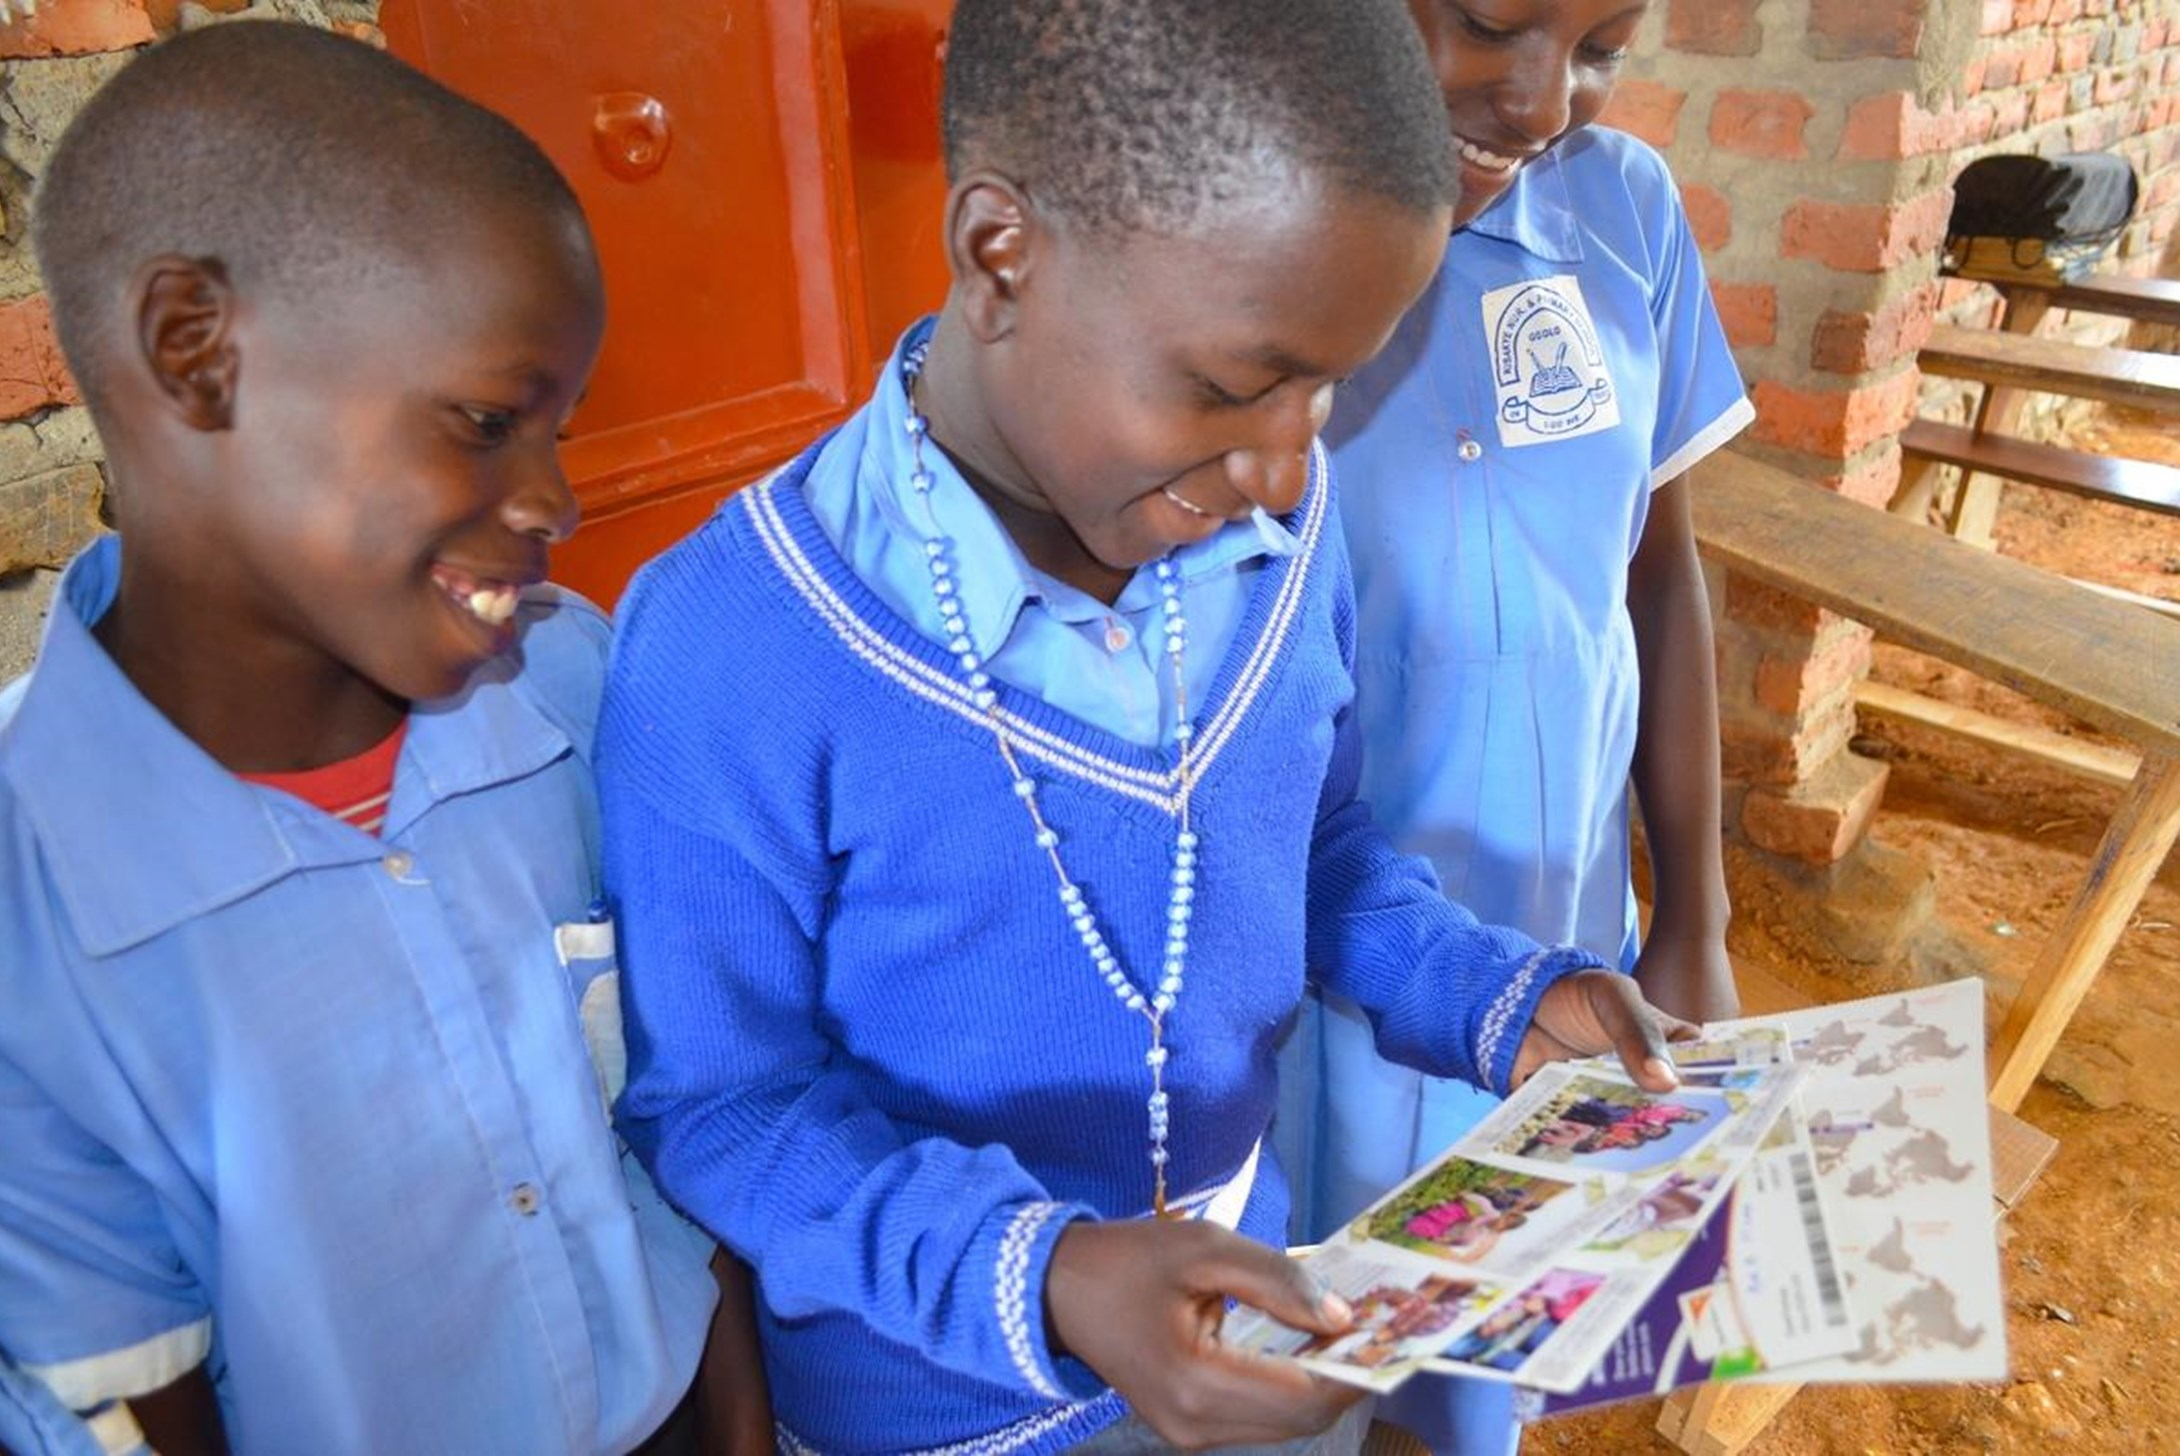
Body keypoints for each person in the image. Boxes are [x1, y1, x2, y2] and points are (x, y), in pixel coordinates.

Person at [598, 2, 1692, 1452]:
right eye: (1239, 387)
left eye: (1330, 388)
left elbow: (1316, 857)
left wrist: (1494, 998)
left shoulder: (1276, 539)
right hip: (938, 1417)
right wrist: (1043, 1277)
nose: (1295, 467)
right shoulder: (731, 643)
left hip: (1269, 1346)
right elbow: (728, 1108)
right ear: (1002, 257)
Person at [0, 24, 767, 1455]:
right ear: (196, 352)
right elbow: (126, 1396)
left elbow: (696, 1123)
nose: (553, 500)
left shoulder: (571, 689)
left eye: (560, 428)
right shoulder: (29, 910)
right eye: (486, 421)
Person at [1276, 0, 1754, 1447]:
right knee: (1299, 1367)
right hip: (1317, 982)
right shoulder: (1244, 230)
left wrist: (1695, 917)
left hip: (1561, 957)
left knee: (1481, 1362)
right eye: (1491, 22)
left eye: (1606, 41)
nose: (1546, 98)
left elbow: (1654, 572)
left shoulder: (1626, 212)